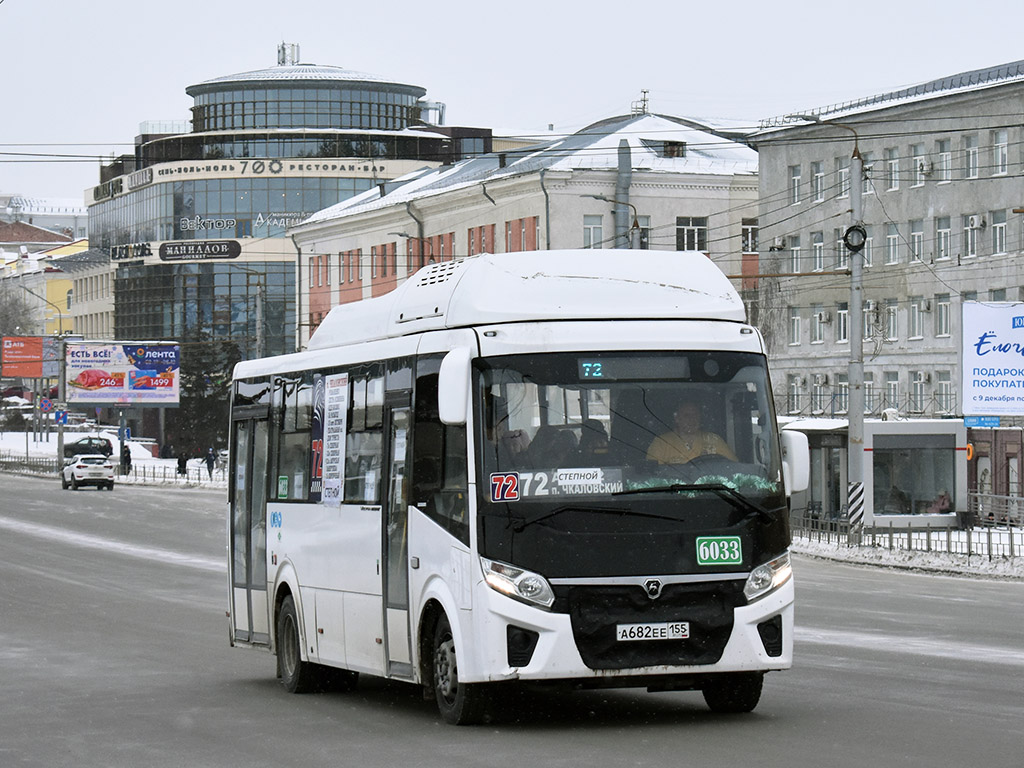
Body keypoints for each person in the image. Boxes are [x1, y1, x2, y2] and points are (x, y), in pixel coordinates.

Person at [646, 399, 737, 465]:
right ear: (677, 419)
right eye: (687, 415)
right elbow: (652, 475)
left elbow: (734, 469)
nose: (692, 419)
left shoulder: (714, 440)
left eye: (695, 415)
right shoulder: (661, 442)